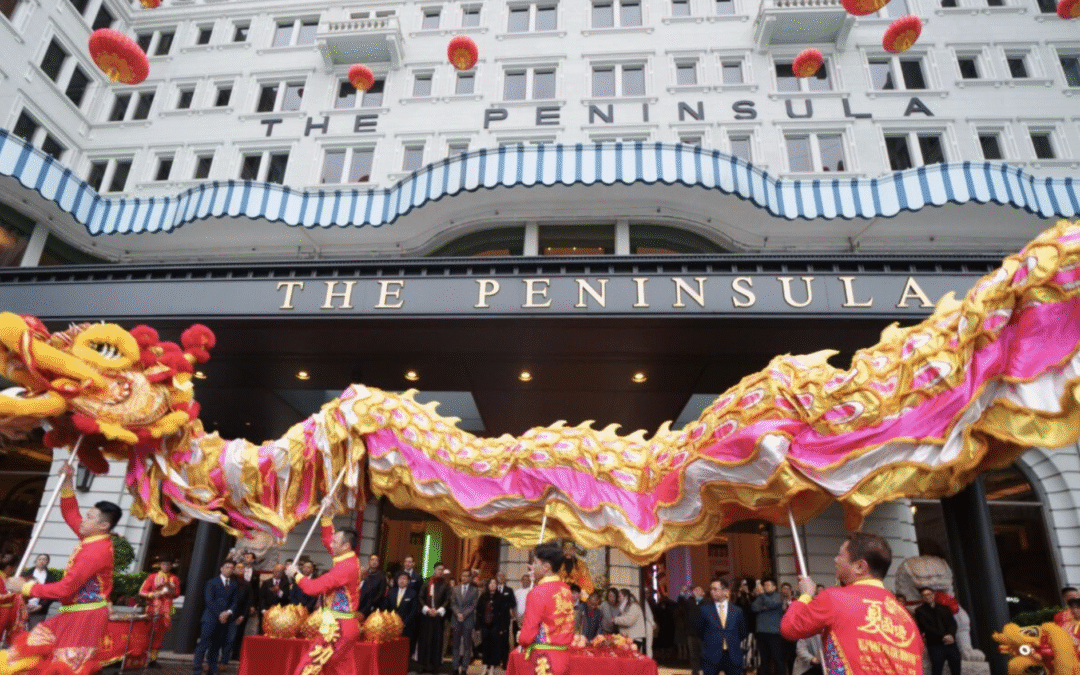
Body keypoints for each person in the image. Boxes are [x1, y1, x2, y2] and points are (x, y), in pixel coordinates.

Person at [3, 463, 120, 675]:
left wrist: (27, 588)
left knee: (67, 667)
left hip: (85, 618)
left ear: (104, 526)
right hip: (72, 614)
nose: (84, 519)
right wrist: (67, 480)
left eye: (90, 517)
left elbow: (66, 589)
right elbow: (71, 514)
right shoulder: (91, 537)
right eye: (87, 514)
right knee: (36, 643)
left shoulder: (96, 552)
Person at [780, 532, 924, 675]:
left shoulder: (834, 598)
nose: (835, 560)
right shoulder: (906, 618)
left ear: (860, 567)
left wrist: (805, 595)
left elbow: (790, 627)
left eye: (840, 555)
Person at [284, 510, 362, 675]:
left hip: (338, 627)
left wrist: (296, 575)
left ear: (346, 546)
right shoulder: (348, 558)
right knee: (339, 669)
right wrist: (326, 518)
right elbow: (327, 541)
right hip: (340, 623)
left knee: (311, 664)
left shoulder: (345, 568)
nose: (331, 544)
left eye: (335, 542)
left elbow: (314, 588)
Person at [517, 542, 575, 675]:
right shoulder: (565, 589)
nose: (532, 567)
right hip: (563, 656)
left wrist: (521, 637)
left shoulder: (538, 592)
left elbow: (528, 633)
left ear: (546, 567)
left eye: (535, 562)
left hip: (544, 658)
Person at [192, 559, 238, 675]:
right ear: (221, 568)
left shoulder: (233, 584)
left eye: (231, 568)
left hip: (225, 620)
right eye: (227, 567)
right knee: (203, 645)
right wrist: (220, 614)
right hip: (210, 619)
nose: (229, 570)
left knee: (216, 647)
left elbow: (234, 602)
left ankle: (212, 670)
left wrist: (228, 612)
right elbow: (209, 601)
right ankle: (197, 669)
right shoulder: (212, 582)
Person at [698, 579, 748, 675]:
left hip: (732, 654)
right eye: (711, 589)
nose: (712, 592)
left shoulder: (737, 611)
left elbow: (743, 632)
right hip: (711, 654)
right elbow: (700, 631)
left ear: (725, 591)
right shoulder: (704, 610)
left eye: (715, 589)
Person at [139, 557, 180, 665]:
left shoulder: (174, 578)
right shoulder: (152, 577)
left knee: (160, 636)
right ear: (160, 565)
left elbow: (177, 594)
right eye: (163, 564)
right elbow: (142, 591)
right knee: (147, 634)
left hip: (165, 611)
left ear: (170, 566)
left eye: (167, 564)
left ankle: (153, 660)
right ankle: (141, 657)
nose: (165, 566)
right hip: (153, 610)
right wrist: (152, 594)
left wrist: (172, 589)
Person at [914, 587, 961, 675]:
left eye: (929, 594)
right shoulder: (920, 611)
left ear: (933, 595)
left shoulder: (944, 608)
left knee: (956, 666)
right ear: (922, 598)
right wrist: (943, 636)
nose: (927, 597)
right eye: (924, 595)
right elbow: (926, 627)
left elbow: (952, 623)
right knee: (937, 668)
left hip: (950, 643)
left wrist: (950, 635)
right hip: (935, 644)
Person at [417, 561, 451, 674]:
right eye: (438, 569)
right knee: (425, 641)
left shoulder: (446, 585)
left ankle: (435, 666)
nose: (440, 571)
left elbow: (447, 600)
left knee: (437, 642)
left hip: (438, 618)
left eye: (442, 570)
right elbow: (420, 597)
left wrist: (439, 610)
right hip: (426, 617)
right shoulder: (427, 582)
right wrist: (427, 609)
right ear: (434, 570)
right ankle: (423, 665)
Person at [221, 560, 254, 667]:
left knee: (231, 638)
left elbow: (248, 601)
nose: (240, 569)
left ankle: (224, 661)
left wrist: (243, 615)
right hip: (224, 613)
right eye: (238, 568)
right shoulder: (229, 581)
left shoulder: (247, 584)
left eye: (242, 568)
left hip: (237, 615)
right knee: (219, 637)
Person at [751, 578, 785, 675]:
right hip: (761, 633)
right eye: (764, 585)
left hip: (774, 633)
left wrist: (762, 599)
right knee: (764, 660)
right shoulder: (760, 597)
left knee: (778, 659)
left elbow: (771, 604)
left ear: (774, 587)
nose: (765, 587)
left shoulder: (778, 597)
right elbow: (754, 607)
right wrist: (764, 606)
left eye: (768, 585)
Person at [450, 570, 477, 675]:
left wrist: (463, 615)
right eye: (463, 576)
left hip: (468, 620)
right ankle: (455, 667)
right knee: (455, 645)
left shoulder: (474, 590)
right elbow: (452, 603)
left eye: (467, 576)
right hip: (456, 620)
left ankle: (465, 668)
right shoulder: (455, 589)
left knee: (467, 645)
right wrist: (458, 614)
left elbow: (473, 605)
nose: (465, 578)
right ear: (460, 577)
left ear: (470, 578)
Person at [477, 578, 507, 675]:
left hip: (496, 625)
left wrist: (502, 628)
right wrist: (478, 625)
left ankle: (492, 668)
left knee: (495, 647)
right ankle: (485, 666)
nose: (493, 585)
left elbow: (504, 614)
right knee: (485, 646)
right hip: (485, 625)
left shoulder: (501, 597)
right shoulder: (483, 596)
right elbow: (479, 611)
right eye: (491, 583)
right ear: (488, 585)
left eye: (495, 583)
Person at [22, 554, 58, 630]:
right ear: (36, 561)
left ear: (47, 562)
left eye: (44, 560)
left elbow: (51, 594)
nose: (42, 561)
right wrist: (24, 604)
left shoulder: (50, 577)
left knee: (34, 632)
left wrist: (41, 605)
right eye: (40, 559)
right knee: (20, 632)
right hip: (24, 608)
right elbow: (20, 590)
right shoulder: (26, 574)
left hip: (40, 610)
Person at [384, 571, 419, 642]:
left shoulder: (412, 593)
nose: (402, 581)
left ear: (408, 581)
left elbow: (413, 610)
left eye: (404, 579)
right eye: (400, 578)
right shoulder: (391, 592)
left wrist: (404, 623)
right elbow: (386, 607)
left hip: (406, 626)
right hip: (392, 625)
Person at [0, 554, 26, 648]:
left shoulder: (7, 578)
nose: (13, 569)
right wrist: (14, 595)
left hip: (9, 613)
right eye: (13, 567)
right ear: (8, 567)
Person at [259, 563, 292, 633]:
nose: (277, 573)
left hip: (280, 613)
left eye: (279, 572)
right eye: (275, 571)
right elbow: (261, 597)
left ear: (283, 573)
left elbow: (287, 597)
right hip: (267, 611)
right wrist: (263, 610)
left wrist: (279, 591)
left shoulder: (286, 583)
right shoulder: (266, 583)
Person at [493, 572, 516, 668]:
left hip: (504, 619)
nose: (501, 578)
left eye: (503, 576)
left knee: (504, 640)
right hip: (494, 619)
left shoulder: (509, 590)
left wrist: (505, 606)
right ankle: (494, 661)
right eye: (499, 576)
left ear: (505, 578)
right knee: (494, 639)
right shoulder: (493, 589)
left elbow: (513, 603)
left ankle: (504, 662)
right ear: (496, 578)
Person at [681, 585, 706, 675]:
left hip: (703, 634)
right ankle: (695, 671)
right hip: (691, 633)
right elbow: (681, 602)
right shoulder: (690, 602)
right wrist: (682, 592)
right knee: (693, 655)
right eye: (695, 590)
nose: (696, 591)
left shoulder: (706, 603)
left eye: (699, 589)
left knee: (704, 654)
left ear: (703, 593)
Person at [613, 588, 647, 652]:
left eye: (620, 596)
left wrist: (615, 619)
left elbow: (628, 621)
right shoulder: (627, 606)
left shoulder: (633, 606)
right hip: (630, 637)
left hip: (634, 638)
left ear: (626, 597)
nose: (618, 599)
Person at [513, 573, 532, 642]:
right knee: (516, 640)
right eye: (524, 580)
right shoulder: (516, 592)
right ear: (521, 581)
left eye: (527, 580)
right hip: (517, 620)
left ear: (530, 581)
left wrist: (524, 617)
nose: (525, 581)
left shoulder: (532, 591)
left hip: (528, 620)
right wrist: (517, 618)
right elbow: (513, 606)